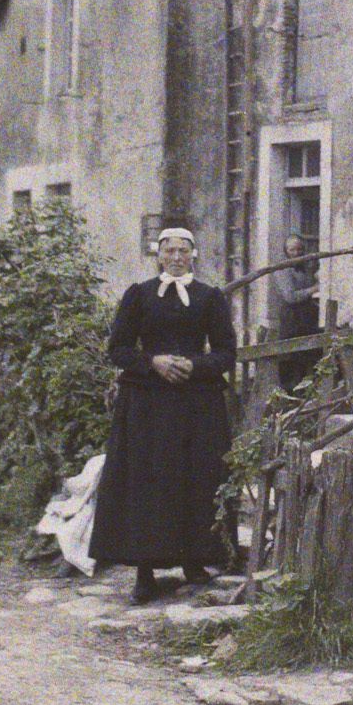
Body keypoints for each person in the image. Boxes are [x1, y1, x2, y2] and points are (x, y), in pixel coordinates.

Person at [89, 227, 238, 605]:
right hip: (147, 404)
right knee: (147, 480)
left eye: (183, 251)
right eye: (169, 250)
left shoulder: (209, 298)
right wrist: (153, 362)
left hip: (196, 404)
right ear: (158, 256)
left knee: (196, 476)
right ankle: (145, 570)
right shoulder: (139, 296)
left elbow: (225, 353)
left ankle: (195, 561)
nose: (176, 257)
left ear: (193, 255)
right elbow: (118, 349)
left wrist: (195, 364)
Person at [274, 233, 321, 394]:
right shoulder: (282, 269)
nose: (296, 253)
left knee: (306, 357)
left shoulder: (306, 267)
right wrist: (314, 289)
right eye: (292, 249)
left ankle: (304, 398)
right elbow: (290, 296)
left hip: (307, 318)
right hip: (291, 318)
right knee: (290, 357)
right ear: (286, 251)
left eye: (300, 249)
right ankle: (288, 397)